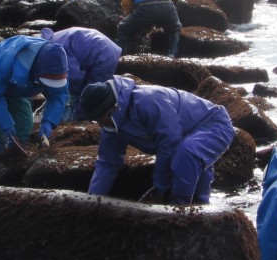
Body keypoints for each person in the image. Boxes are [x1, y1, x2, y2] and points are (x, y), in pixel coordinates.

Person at [79, 75, 235, 205]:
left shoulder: (148, 101)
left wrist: (160, 183)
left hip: (214, 124)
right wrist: (93, 201)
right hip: (187, 135)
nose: (100, 124)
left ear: (112, 108)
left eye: (100, 118)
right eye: (96, 120)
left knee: (186, 153)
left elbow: (170, 142)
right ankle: (202, 209)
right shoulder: (111, 126)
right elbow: (107, 163)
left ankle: (180, 211)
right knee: (190, 164)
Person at [0, 35, 69, 157]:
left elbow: (59, 94)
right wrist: (5, 124)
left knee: (24, 125)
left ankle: (17, 151)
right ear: (36, 71)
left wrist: (49, 121)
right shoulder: (8, 63)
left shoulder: (58, 66)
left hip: (20, 86)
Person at [39, 26, 122, 120]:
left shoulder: (54, 52)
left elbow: (73, 77)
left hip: (103, 56)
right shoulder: (54, 41)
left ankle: (79, 121)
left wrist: (73, 95)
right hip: (103, 47)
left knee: (89, 94)